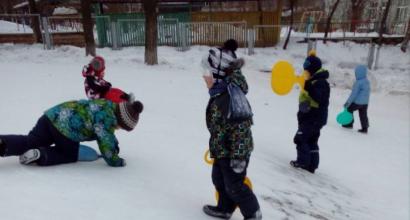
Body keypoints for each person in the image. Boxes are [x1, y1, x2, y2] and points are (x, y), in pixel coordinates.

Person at [202, 39, 262, 220]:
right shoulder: (221, 91)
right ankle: (225, 208)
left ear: (218, 72)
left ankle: (253, 214)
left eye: (207, 72)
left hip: (235, 151)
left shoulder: (232, 96)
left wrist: (238, 157)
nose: (204, 76)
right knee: (219, 180)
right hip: (223, 148)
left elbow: (241, 129)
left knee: (235, 185)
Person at [0, 99, 143, 167]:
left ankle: (4, 143)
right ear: (120, 120)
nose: (118, 129)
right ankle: (41, 155)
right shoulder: (106, 120)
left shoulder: (106, 105)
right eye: (121, 127)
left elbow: (110, 136)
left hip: (51, 116)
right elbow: (106, 142)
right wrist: (116, 161)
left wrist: (115, 144)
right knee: (68, 153)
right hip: (67, 129)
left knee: (30, 141)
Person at [290, 52, 330, 174]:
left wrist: (307, 86)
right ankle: (312, 165)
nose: (305, 72)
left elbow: (319, 98)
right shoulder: (314, 80)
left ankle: (303, 162)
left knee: (300, 138)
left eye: (307, 69)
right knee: (311, 140)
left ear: (312, 69)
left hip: (313, 117)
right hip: (311, 116)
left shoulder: (320, 82)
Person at [342, 65, 370, 133]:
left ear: (358, 73)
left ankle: (349, 124)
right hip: (365, 103)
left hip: (358, 102)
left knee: (349, 109)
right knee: (363, 114)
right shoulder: (367, 81)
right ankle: (365, 128)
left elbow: (353, 95)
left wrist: (347, 103)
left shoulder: (358, 83)